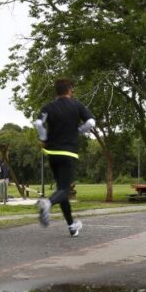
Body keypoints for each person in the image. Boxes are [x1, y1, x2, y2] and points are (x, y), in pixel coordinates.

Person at [33, 78, 96, 237]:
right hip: (68, 152)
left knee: (61, 190)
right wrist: (79, 131)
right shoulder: (77, 105)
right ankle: (47, 203)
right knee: (64, 190)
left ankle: (72, 226)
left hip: (52, 153)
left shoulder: (48, 107)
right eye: (72, 90)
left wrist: (43, 138)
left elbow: (39, 123)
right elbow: (91, 122)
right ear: (69, 91)